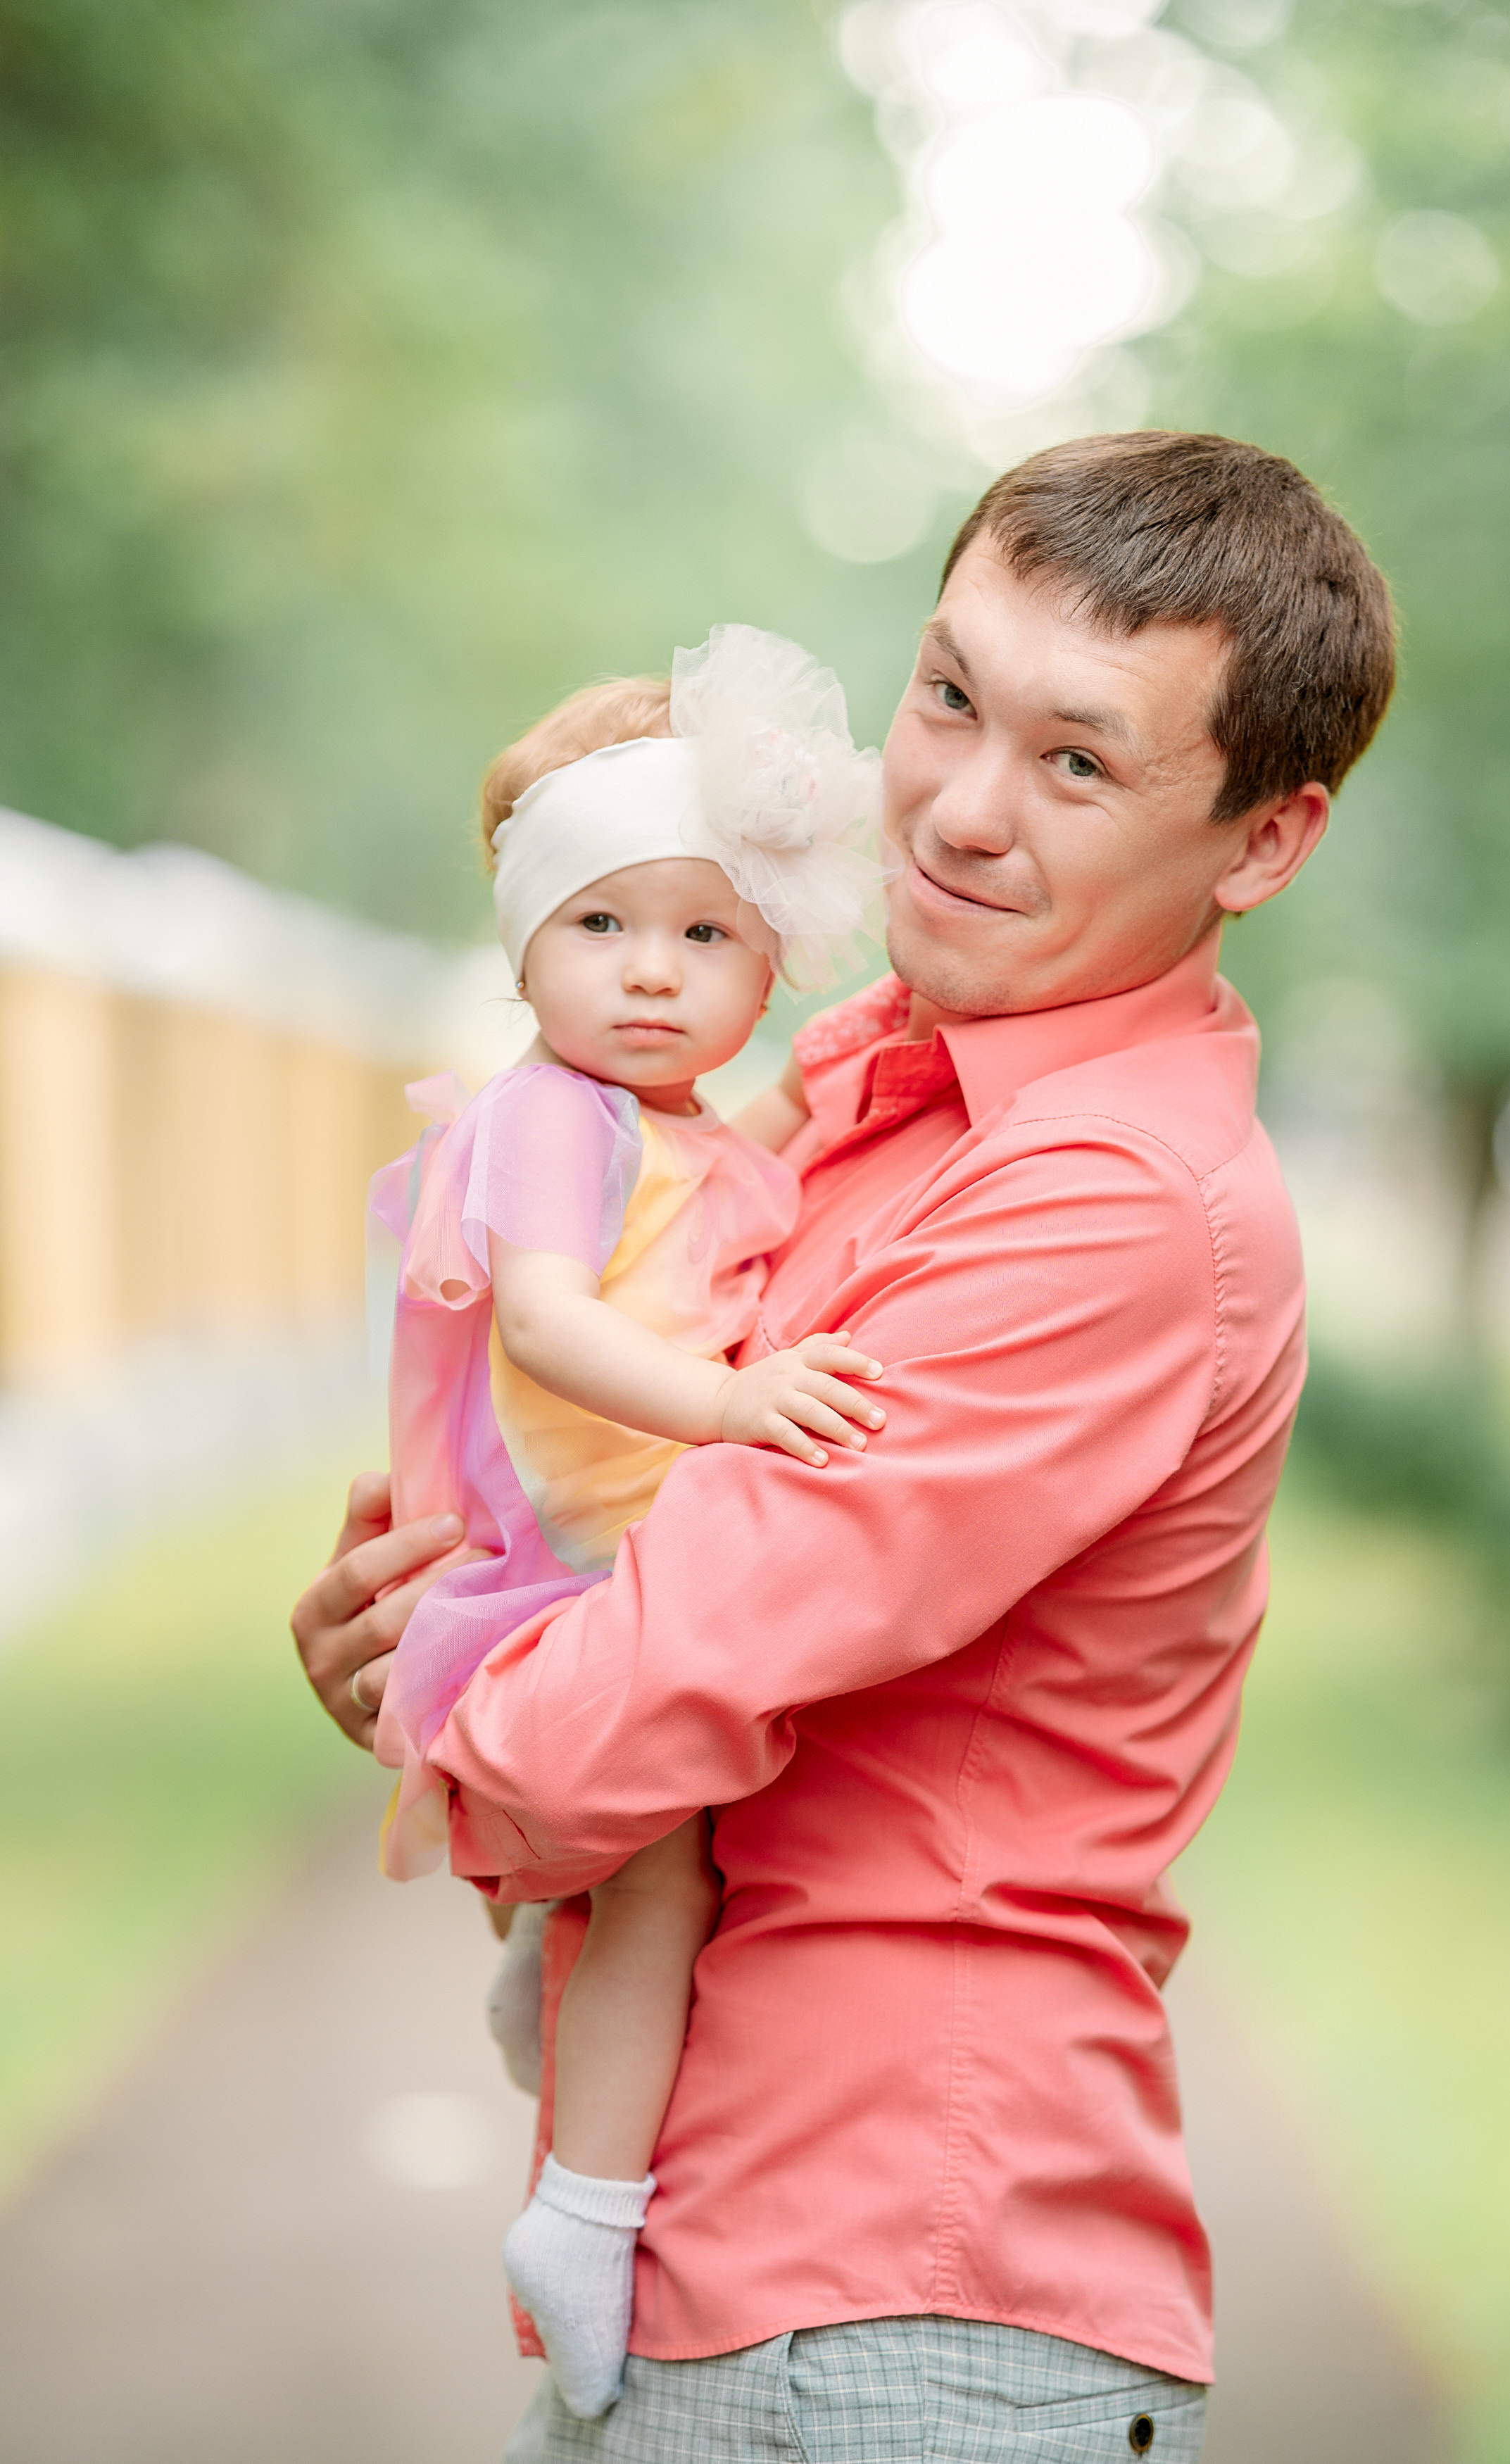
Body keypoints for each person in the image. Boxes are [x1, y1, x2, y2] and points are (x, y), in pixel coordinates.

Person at [294, 432, 1396, 2463]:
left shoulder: (1105, 1199)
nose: (959, 808)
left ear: (1262, 841)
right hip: (722, 2279)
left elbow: (627, 1699)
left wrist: (456, 1698)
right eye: (949, 696)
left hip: (892, 2306)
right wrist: (429, 1620)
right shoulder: (856, 1100)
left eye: (1078, 763)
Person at [370, 623, 888, 2415]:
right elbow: (549, 1317)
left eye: (706, 935)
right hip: (579, 1553)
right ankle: (582, 2217)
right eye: (602, 926)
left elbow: (708, 1184)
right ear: (526, 942)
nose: (653, 976)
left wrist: (827, 1080)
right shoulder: (545, 1116)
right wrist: (736, 1405)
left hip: (637, 1537)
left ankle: (548, 1975)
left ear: (768, 960)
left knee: (668, 1860)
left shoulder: (665, 1120)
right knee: (668, 1869)